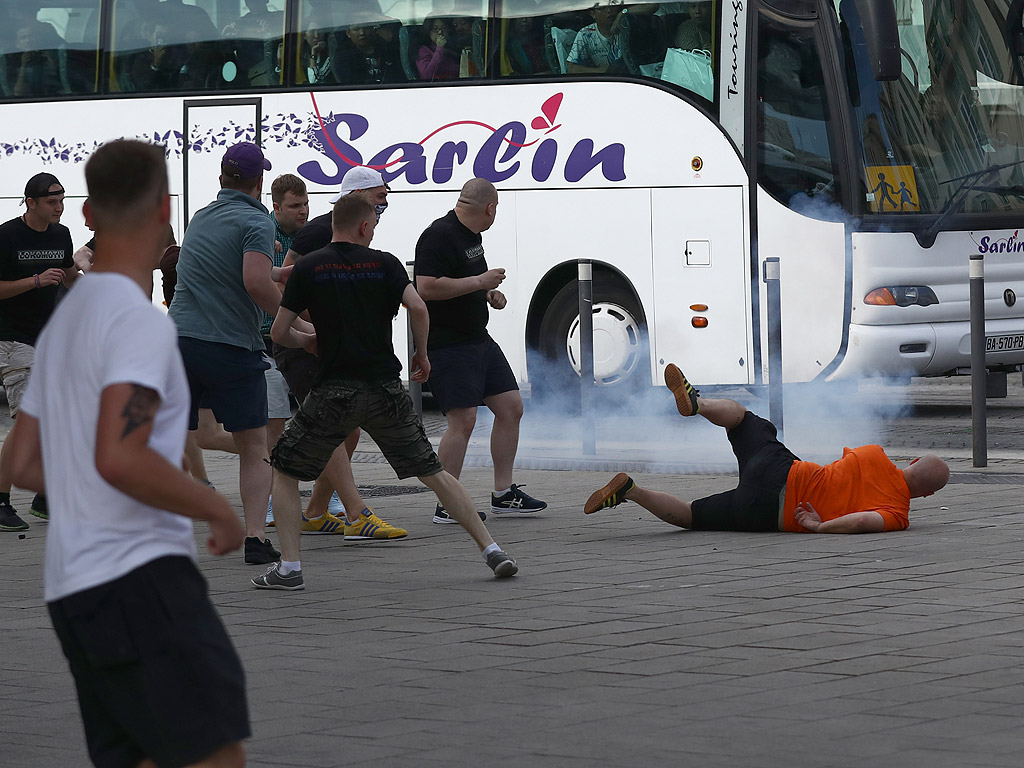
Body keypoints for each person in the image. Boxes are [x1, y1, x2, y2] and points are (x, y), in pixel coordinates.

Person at [7, 138, 248, 768]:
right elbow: (123, 455)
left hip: (74, 586)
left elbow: (21, 463)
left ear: (86, 214)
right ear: (166, 209)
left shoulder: (67, 319)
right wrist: (215, 507)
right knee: (214, 756)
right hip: (137, 576)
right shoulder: (135, 320)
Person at [255, 195, 519, 590]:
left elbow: (278, 333)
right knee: (433, 472)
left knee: (285, 469)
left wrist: (309, 340)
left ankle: (290, 568)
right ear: (364, 227)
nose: (375, 230)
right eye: (374, 224)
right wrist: (423, 355)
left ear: (333, 226)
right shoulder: (386, 263)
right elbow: (419, 307)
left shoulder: (309, 266)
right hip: (384, 386)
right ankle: (492, 549)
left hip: (332, 391)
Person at [585, 363, 951, 533]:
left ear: (913, 460)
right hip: (767, 514)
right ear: (928, 494)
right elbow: (863, 520)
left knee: (743, 419)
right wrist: (820, 527)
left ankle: (700, 405)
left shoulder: (874, 454)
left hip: (782, 470)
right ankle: (632, 491)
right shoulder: (898, 515)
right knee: (693, 516)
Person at [168, 141, 310, 565]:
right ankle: (254, 538)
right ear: (259, 182)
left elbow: (229, 269)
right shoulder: (256, 221)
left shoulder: (201, 217)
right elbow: (254, 283)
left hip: (180, 343)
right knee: (254, 447)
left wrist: (276, 271)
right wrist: (297, 329)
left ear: (221, 179)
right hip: (231, 348)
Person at [275, 166, 406, 539]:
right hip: (307, 348)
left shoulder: (350, 231)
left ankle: (315, 512)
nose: (384, 204)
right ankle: (356, 513)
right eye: (380, 196)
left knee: (348, 428)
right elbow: (288, 280)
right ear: (360, 195)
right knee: (332, 428)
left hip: (323, 345)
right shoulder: (321, 230)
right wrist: (319, 327)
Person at [414, 178, 546, 524]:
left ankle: (503, 494)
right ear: (490, 208)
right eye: (497, 209)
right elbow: (425, 287)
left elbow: (468, 279)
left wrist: (489, 294)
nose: (496, 215)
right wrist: (479, 283)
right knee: (463, 421)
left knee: (511, 407)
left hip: (478, 338)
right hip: (449, 343)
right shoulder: (438, 236)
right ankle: (448, 503)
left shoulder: (472, 237)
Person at [0, 173, 75, 532]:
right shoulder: (7, 235)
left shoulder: (61, 235)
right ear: (31, 202)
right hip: (12, 339)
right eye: (51, 202)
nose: (58, 209)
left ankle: (46, 498)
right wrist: (34, 280)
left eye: (61, 201)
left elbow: (68, 273)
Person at [565, 4, 624, 74]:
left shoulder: (626, 30)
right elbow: (572, 69)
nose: (609, 11)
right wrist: (603, 71)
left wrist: (623, 13)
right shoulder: (585, 34)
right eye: (602, 8)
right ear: (593, 14)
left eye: (612, 6)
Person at [417, 17, 459, 81]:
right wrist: (439, 49)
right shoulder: (423, 51)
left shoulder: (452, 47)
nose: (440, 32)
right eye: (435, 29)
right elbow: (427, 76)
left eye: (444, 28)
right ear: (428, 31)